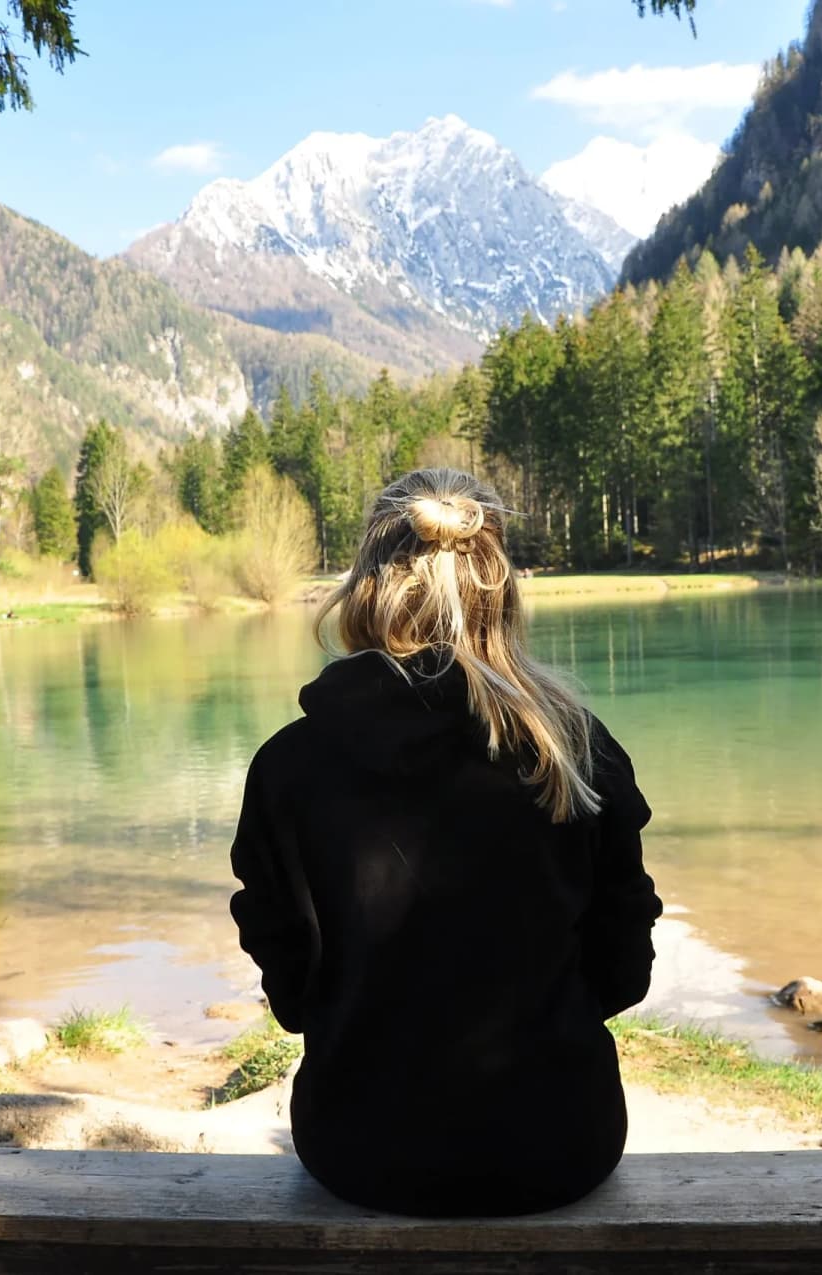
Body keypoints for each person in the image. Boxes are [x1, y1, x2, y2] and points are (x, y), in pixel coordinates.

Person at [228, 467, 662, 1218]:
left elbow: (294, 997)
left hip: (361, 1152)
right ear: (503, 587)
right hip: (561, 1148)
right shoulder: (576, 752)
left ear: (365, 584)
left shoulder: (289, 766)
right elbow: (624, 974)